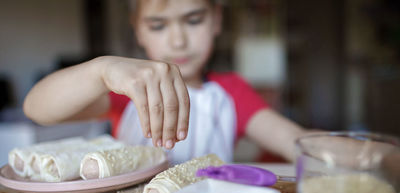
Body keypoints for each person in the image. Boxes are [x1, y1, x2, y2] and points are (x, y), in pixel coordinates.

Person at [23, 0, 305, 165]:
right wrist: (101, 70)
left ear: (216, 20)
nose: (178, 41)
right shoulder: (126, 91)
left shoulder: (232, 93)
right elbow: (37, 109)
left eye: (193, 20)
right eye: (158, 26)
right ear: (138, 32)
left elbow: (295, 142)